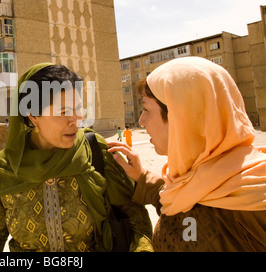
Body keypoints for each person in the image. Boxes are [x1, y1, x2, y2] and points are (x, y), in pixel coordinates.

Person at [0, 63, 153, 252]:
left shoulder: (94, 150)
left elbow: (135, 215)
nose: (76, 119)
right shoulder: (5, 167)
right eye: (64, 112)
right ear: (33, 115)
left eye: (78, 108)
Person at [108, 57, 266, 251]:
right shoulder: (191, 180)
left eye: (147, 109)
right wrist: (143, 178)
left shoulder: (257, 198)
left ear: (181, 117)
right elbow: (184, 208)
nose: (141, 121)